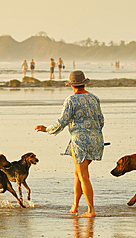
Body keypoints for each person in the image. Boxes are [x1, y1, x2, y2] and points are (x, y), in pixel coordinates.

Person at [35, 70, 104, 218]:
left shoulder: (71, 100)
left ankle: (91, 211)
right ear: (83, 83)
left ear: (72, 85)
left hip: (80, 142)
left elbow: (62, 121)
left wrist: (46, 129)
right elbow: (101, 120)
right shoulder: (94, 98)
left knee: (83, 175)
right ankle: (75, 205)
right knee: (78, 173)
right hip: (96, 140)